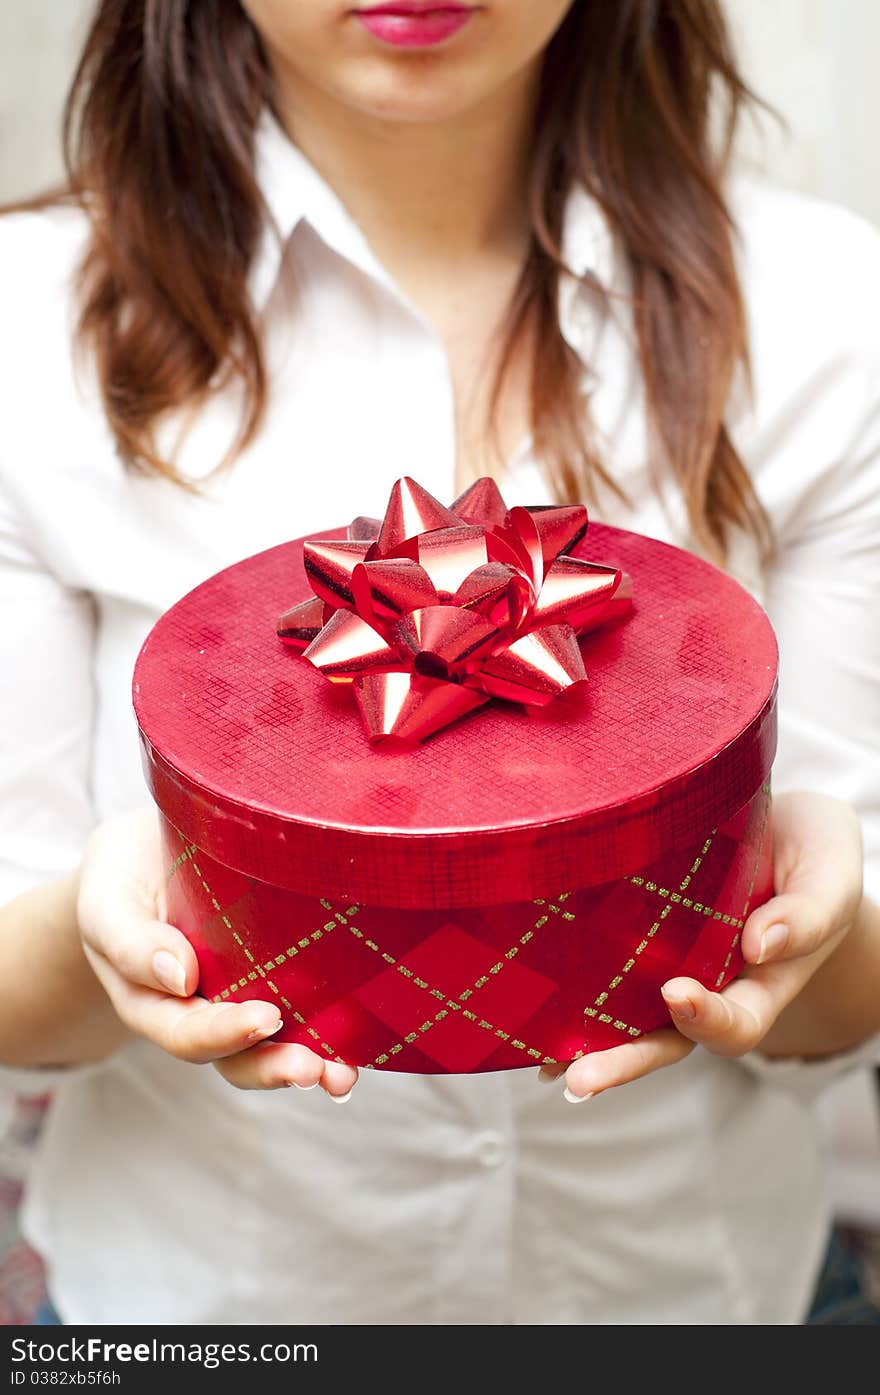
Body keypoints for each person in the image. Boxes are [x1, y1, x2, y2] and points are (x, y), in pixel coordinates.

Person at [0, 0, 878, 1326]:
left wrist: (809, 910)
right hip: (199, 1315)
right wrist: (119, 928)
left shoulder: (822, 316)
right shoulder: (26, 331)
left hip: (705, 1300)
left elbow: (846, 1006)